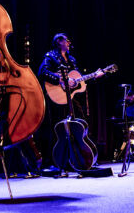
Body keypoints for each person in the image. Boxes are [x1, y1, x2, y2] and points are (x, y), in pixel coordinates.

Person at [37, 33, 103, 173]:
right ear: (59, 41)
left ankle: (84, 159)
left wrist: (94, 76)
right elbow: (42, 72)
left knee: (80, 123)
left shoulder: (72, 60)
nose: (68, 43)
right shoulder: (51, 56)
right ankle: (55, 161)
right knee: (58, 128)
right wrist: (60, 79)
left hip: (70, 98)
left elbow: (78, 80)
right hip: (56, 97)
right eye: (66, 40)